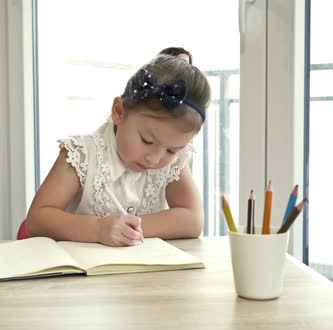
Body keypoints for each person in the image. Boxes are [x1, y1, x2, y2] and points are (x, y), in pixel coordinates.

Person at [23, 50, 211, 247]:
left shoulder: (173, 164)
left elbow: (192, 220)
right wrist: (98, 228)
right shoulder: (82, 154)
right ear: (119, 112)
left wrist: (129, 230)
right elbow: (37, 219)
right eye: (147, 140)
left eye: (171, 151)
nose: (154, 159)